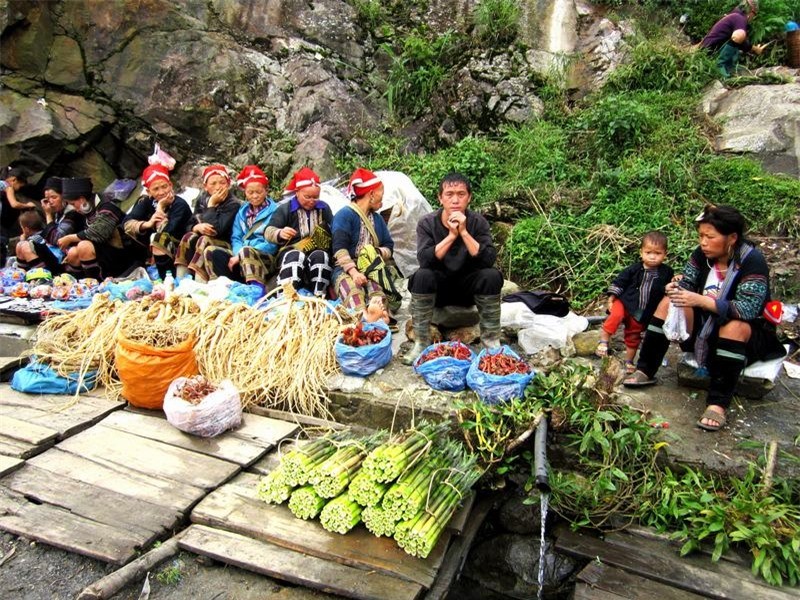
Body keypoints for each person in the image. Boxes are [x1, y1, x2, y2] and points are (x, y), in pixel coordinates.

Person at [624, 205, 785, 432]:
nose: (703, 242)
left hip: (746, 337)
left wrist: (700, 301)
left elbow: (747, 309)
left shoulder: (752, 261)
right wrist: (676, 288)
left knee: (734, 326)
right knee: (668, 303)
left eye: (710, 237)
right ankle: (646, 370)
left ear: (732, 237)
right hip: (706, 329)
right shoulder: (702, 256)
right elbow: (688, 283)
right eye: (701, 236)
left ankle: (718, 404)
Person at [401, 172, 503, 365]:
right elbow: (425, 260)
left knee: (492, 276)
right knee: (421, 276)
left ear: (469, 197)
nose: (455, 200)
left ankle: (491, 343)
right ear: (440, 198)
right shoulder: (427, 223)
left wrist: (463, 232)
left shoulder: (478, 222)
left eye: (461, 194)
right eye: (449, 194)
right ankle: (422, 342)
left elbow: (488, 259)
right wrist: (450, 235)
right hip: (440, 291)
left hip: (468, 290)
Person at [596, 231, 674, 375]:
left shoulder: (666, 272)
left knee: (633, 334)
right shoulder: (634, 269)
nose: (652, 256)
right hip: (625, 302)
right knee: (616, 316)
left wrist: (672, 285)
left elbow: (666, 289)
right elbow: (620, 282)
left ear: (665, 254)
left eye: (657, 253)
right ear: (641, 252)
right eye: (648, 252)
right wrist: (611, 298)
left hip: (642, 310)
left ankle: (629, 361)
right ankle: (604, 340)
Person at [331, 168, 396, 314]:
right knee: (353, 291)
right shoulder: (344, 215)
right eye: (381, 194)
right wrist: (354, 273)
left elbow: (389, 245)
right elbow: (339, 248)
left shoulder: (377, 219)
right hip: (345, 269)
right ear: (371, 194)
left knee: (378, 294)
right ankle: (362, 315)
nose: (382, 199)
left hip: (372, 267)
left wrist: (375, 253)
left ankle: (380, 316)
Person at [206, 165, 278, 295]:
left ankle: (256, 293)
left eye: (259, 192)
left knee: (246, 251)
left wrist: (243, 252)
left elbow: (272, 243)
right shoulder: (242, 213)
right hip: (242, 254)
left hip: (265, 257)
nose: (255, 196)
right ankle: (225, 290)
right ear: (245, 192)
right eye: (250, 193)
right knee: (212, 252)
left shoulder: (276, 211)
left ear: (266, 190)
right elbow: (236, 237)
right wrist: (238, 252)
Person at [265, 167, 333, 297]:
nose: (312, 200)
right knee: (295, 257)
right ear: (297, 192)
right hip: (291, 252)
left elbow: (334, 229)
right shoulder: (285, 209)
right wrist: (280, 233)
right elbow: (268, 231)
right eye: (307, 197)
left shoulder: (324, 209)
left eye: (316, 197)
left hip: (316, 252)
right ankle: (286, 297)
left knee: (321, 256)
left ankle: (319, 297)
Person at [123, 164, 193, 279]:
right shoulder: (147, 202)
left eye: (164, 186)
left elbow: (166, 232)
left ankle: (166, 279)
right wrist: (147, 224)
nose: (161, 192)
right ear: (148, 191)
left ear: (170, 185)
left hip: (182, 252)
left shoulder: (179, 204)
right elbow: (126, 223)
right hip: (158, 254)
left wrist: (160, 207)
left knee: (158, 239)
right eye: (156, 189)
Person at [174, 164, 240, 282]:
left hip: (225, 244)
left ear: (228, 184)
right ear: (205, 186)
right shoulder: (202, 199)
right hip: (203, 241)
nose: (218, 187)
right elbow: (189, 224)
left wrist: (211, 206)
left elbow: (215, 230)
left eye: (222, 183)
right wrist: (196, 227)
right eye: (213, 184)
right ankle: (181, 279)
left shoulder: (233, 203)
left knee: (204, 239)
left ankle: (200, 281)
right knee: (188, 237)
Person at [57, 177, 133, 279]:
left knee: (84, 246)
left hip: (125, 256)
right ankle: (77, 286)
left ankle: (95, 284)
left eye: (73, 204)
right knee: (73, 252)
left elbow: (98, 233)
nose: (74, 208)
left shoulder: (107, 206)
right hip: (107, 255)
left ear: (82, 199)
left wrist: (70, 238)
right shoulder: (87, 212)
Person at [15, 176, 84, 274]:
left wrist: (47, 214)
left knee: (27, 246)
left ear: (64, 197)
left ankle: (43, 277)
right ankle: (20, 276)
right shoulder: (58, 212)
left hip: (65, 256)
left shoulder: (72, 213)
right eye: (47, 199)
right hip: (55, 252)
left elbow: (56, 239)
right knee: (20, 245)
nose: (50, 202)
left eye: (54, 197)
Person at [700, 1, 765, 58]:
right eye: (754, 14)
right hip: (707, 53)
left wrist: (755, 49)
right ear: (751, 12)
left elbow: (742, 43)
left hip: (705, 51)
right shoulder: (739, 18)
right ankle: (721, 65)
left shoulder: (733, 16)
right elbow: (738, 37)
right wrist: (755, 49)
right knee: (740, 36)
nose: (753, 18)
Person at [0, 166, 36, 265]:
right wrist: (27, 205)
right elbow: (14, 204)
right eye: (20, 185)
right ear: (14, 179)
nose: (19, 188)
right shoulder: (8, 186)